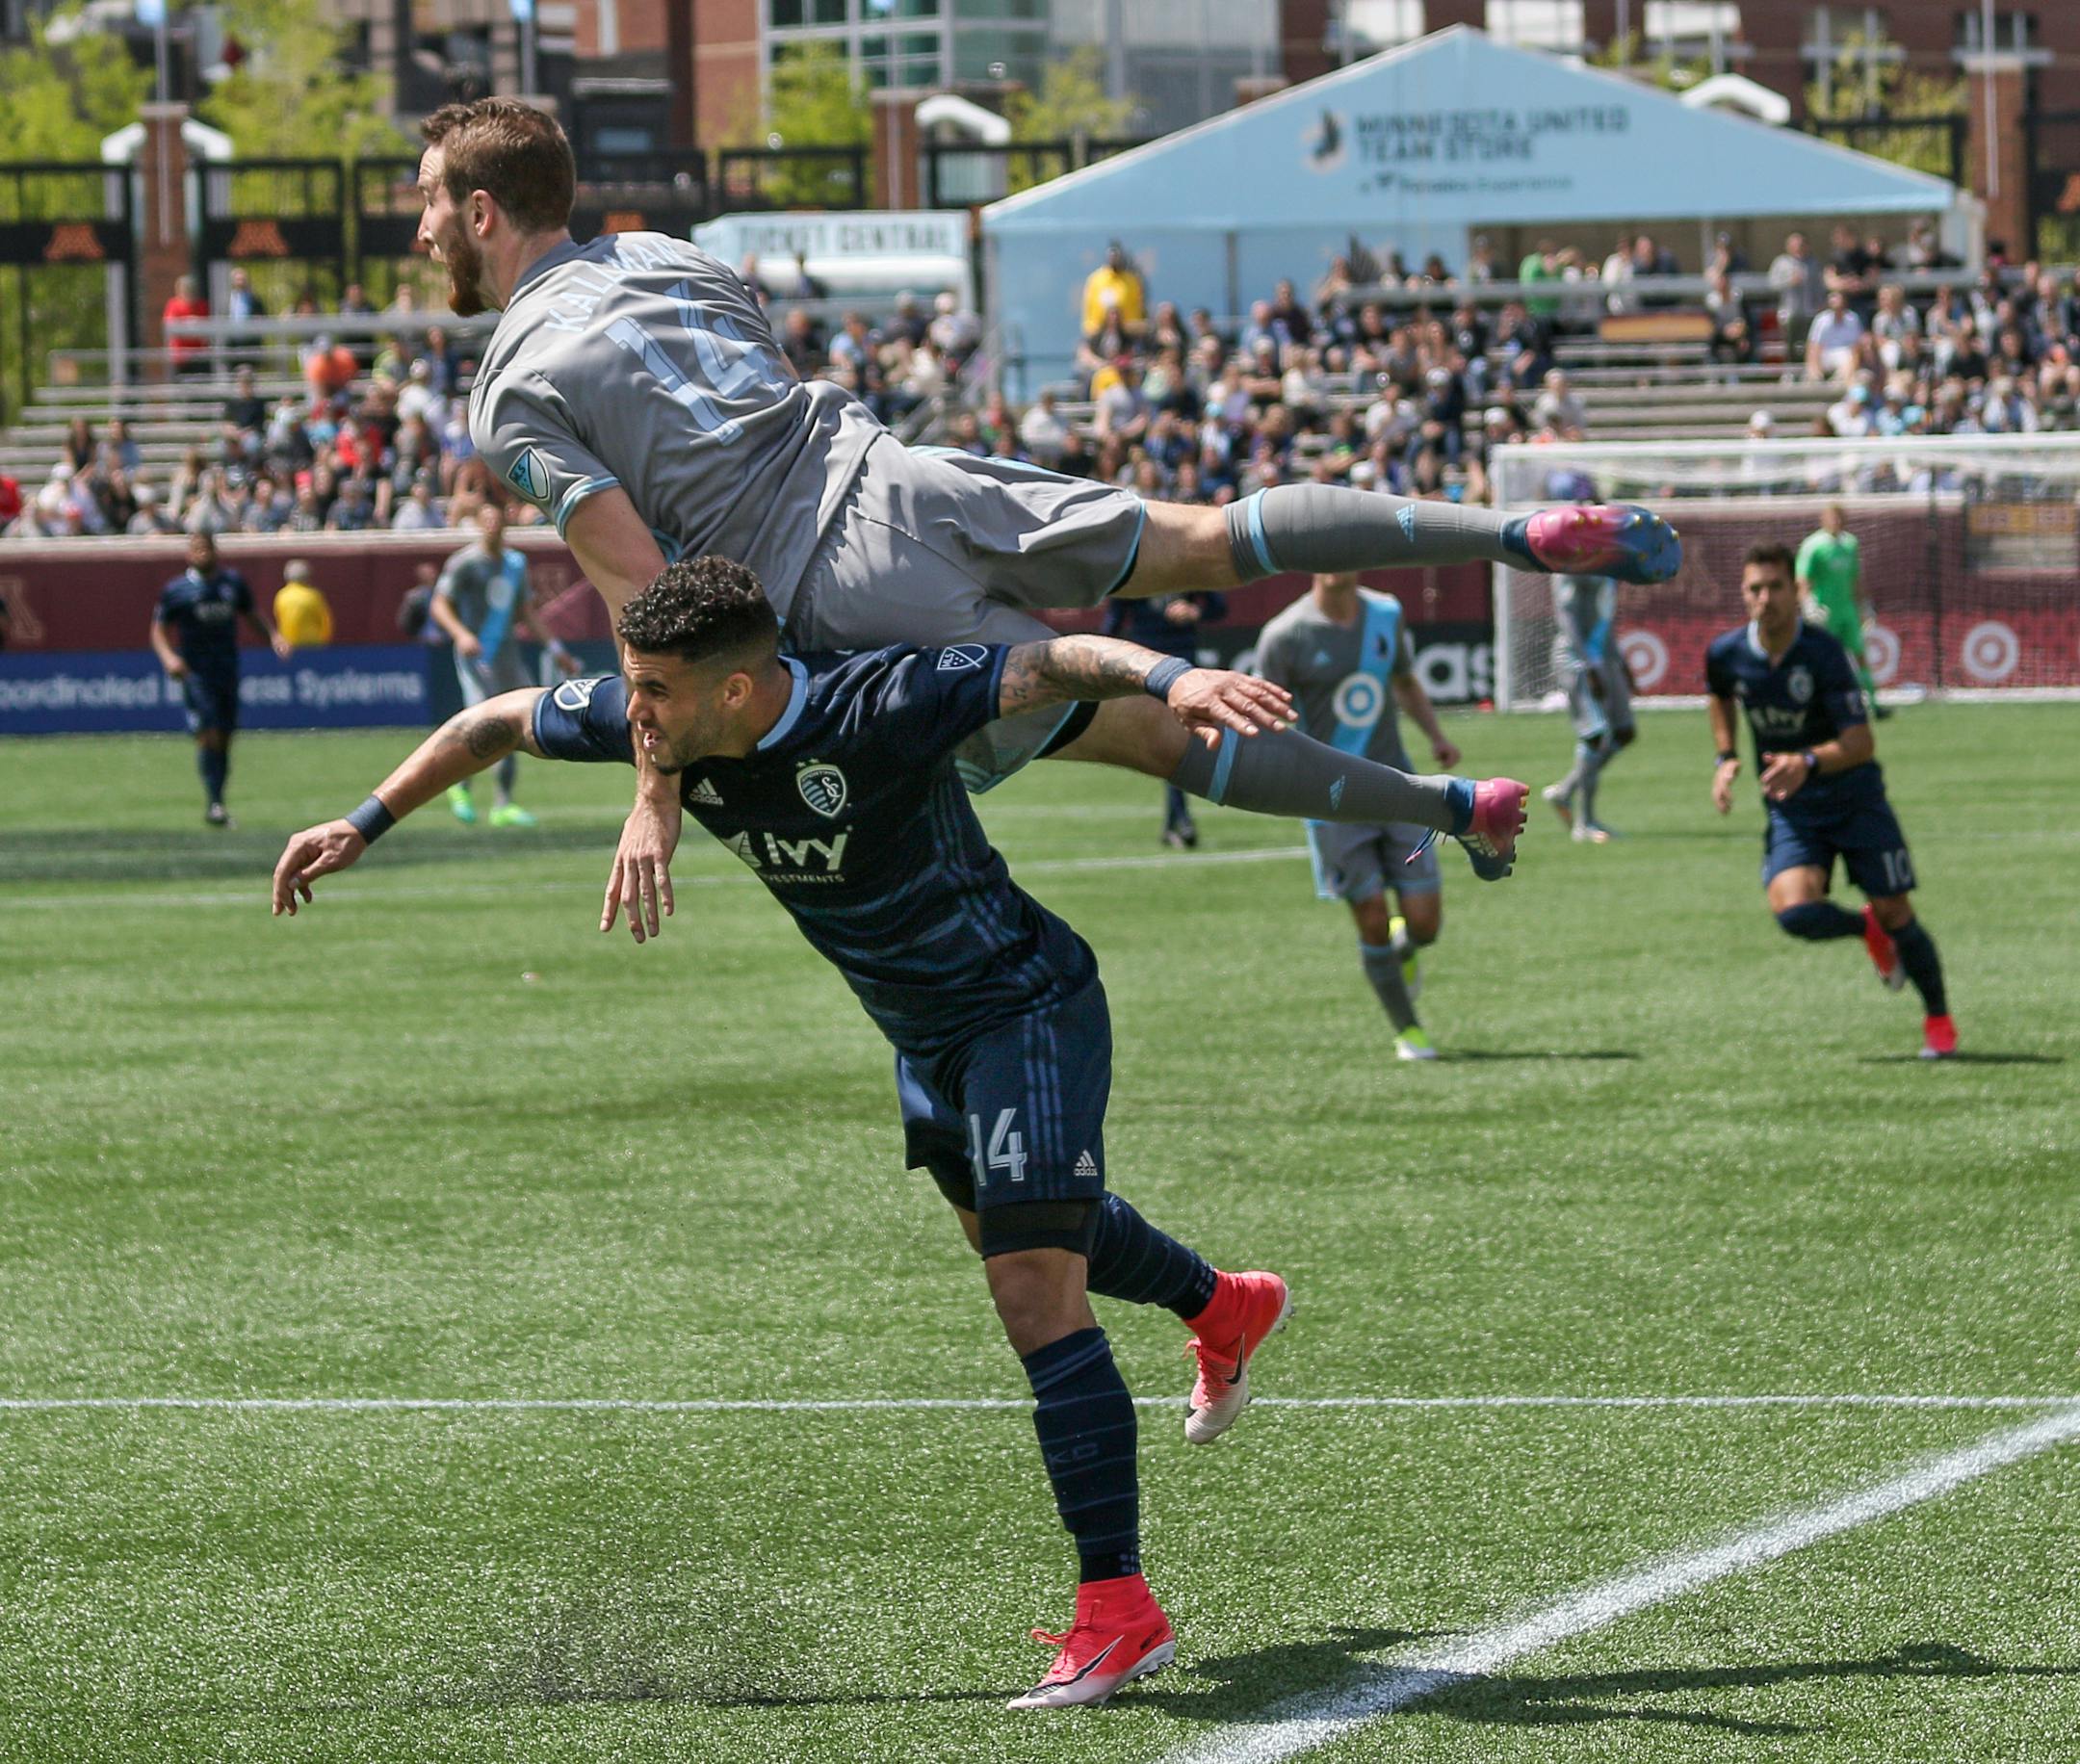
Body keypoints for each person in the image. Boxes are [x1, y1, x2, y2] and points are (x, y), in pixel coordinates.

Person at [272, 558, 1531, 1707]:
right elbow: (493, 717)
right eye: (629, 683)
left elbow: (1049, 666)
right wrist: (362, 822)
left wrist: (1171, 671)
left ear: (744, 687)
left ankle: (1118, 1609)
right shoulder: (665, 727)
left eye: (655, 689)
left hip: (1026, 1006)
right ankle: (1221, 1305)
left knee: (1034, 1291)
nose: (632, 710)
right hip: (927, 1043)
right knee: (1055, 1229)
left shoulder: (877, 705)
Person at [412, 97, 1672, 933]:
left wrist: (657, 792)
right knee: (1211, 531)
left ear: (482, 213)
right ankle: (1513, 533)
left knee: (1149, 736)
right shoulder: (669, 255)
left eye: (429, 206)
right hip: (908, 470)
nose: (420, 234)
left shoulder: (514, 386)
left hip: (838, 588)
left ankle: (1447, 808)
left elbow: (655, 602)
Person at [1705, 543, 1955, 1059]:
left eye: (1776, 587)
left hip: (1855, 799)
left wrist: (1807, 761)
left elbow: (1861, 742)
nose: (1766, 598)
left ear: (1796, 592)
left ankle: (1938, 1019)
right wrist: (1725, 756)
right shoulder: (1726, 653)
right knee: (1794, 913)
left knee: (1898, 912)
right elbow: (1720, 694)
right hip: (1793, 809)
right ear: (1744, 595)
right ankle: (1865, 928)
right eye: (1756, 588)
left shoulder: (1823, 653)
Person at [1252, 571, 1466, 1059]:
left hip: (1399, 790)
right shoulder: (1284, 636)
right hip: (1329, 804)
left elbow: (1406, 681)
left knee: (1426, 923)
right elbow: (1267, 718)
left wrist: (1436, 737)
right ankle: (1408, 1030)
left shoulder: (1386, 614)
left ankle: (1405, 947)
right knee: (1370, 918)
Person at [427, 501, 579, 825]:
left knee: (515, 722)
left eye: (498, 520)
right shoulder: (465, 563)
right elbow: (439, 605)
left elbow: (526, 612)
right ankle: (460, 785)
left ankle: (502, 804)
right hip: (477, 653)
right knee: (484, 722)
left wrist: (555, 649)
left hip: (506, 653)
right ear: (479, 524)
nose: (493, 526)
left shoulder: (514, 563)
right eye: (488, 520)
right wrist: (462, 635)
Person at [149, 532, 292, 825]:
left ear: (215, 551)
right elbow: (158, 630)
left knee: (225, 736)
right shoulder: (177, 590)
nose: (201, 554)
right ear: (188, 554)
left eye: (206, 548)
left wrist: (273, 636)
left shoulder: (232, 584)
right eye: (196, 549)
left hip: (227, 668)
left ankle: (218, 799)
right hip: (196, 672)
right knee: (210, 733)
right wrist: (169, 658)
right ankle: (214, 802)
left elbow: (251, 614)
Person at [1102, 590, 1226, 848]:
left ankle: (1175, 823)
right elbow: (1112, 623)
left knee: (1177, 743)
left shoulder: (1188, 566)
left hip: (1184, 669)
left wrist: (1195, 612)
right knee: (1171, 743)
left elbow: (1219, 607)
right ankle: (1180, 821)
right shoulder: (1135, 574)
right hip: (1146, 671)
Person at [1540, 573, 1636, 843]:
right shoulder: (1569, 563)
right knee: (1595, 735)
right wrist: (1588, 665)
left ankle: (1565, 792)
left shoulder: (1607, 562)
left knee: (1624, 732)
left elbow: (1602, 617)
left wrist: (1620, 661)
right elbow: (1566, 617)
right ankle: (1585, 823)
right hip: (1575, 659)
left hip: (1603, 657)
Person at [1796, 502, 1884, 712]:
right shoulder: (1813, 545)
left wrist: (1864, 606)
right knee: (1821, 658)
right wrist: (1808, 605)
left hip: (1847, 611)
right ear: (1823, 520)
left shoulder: (1850, 544)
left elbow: (1855, 579)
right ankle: (1816, 703)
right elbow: (1802, 579)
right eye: (1832, 517)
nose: (1837, 522)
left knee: (1859, 654)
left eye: (1840, 517)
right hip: (1824, 613)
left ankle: (1873, 703)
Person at [1081, 241, 1146, 342]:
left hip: (1129, 337)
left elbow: (1139, 309)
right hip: (1099, 338)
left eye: (1117, 256)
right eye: (1111, 255)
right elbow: (1088, 313)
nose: (1114, 258)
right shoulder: (1096, 280)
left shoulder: (1132, 281)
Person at [273, 558, 333, 648]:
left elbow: (278, 618)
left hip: (288, 645)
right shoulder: (314, 596)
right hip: (313, 644)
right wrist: (324, 641)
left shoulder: (281, 596)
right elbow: (325, 621)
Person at [163, 274, 210, 378]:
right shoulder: (173, 304)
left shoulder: (202, 305)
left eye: (190, 289)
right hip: (180, 357)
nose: (188, 292)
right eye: (185, 289)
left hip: (199, 355)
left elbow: (208, 329)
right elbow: (170, 325)